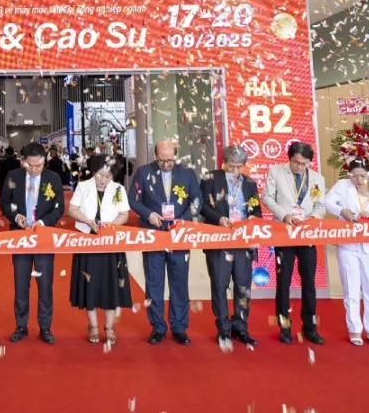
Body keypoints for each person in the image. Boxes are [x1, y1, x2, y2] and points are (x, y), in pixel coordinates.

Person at [129, 140, 200, 345]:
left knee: (179, 282)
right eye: (162, 160)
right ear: (155, 156)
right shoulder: (144, 172)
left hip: (179, 235)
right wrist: (148, 214)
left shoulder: (187, 173)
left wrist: (184, 219)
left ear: (176, 156)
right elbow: (132, 199)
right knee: (154, 283)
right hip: (153, 235)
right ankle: (158, 327)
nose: (166, 164)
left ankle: (179, 327)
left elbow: (197, 201)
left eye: (170, 160)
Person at [0, 142, 65, 343]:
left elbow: (59, 207)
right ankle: (21, 325)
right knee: (21, 283)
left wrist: (43, 222)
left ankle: (45, 327)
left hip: (44, 237)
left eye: (39, 165)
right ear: (23, 162)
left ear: (44, 162)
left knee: (45, 284)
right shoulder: (13, 176)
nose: (35, 169)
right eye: (30, 165)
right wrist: (16, 216)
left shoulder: (53, 178)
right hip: (20, 237)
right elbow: (4, 202)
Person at [325, 159, 369, 347]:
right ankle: (354, 328)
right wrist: (341, 210)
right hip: (349, 246)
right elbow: (327, 202)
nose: (358, 179)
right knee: (351, 288)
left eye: (362, 176)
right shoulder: (342, 186)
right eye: (354, 176)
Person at [263, 141, 326, 345]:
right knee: (283, 280)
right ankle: (284, 327)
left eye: (304, 163)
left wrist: (313, 218)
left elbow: (320, 205)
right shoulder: (276, 172)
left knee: (309, 280)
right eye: (296, 162)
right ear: (290, 158)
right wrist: (284, 215)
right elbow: (267, 197)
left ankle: (310, 327)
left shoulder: (317, 178)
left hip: (306, 235)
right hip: (284, 232)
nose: (299, 167)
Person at [67, 154, 132, 344]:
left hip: (110, 241)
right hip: (87, 240)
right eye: (100, 175)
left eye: (108, 176)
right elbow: (72, 209)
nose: (103, 180)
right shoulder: (83, 186)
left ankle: (109, 327)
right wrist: (87, 221)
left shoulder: (118, 189)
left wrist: (111, 226)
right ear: (93, 172)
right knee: (90, 284)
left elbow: (124, 214)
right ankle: (93, 326)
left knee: (111, 284)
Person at [200, 145, 261, 346]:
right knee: (220, 285)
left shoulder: (250, 183)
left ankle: (241, 327)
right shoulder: (210, 178)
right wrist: (219, 219)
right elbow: (202, 206)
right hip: (219, 239)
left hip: (243, 241)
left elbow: (256, 209)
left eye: (239, 167)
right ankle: (224, 328)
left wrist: (252, 219)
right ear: (223, 163)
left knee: (243, 286)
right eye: (231, 166)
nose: (235, 170)